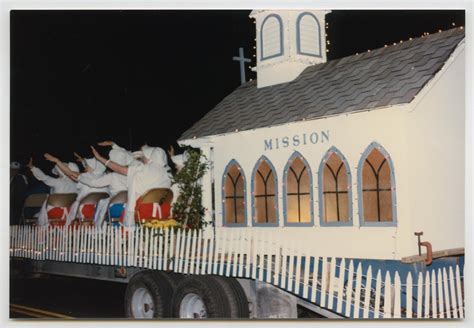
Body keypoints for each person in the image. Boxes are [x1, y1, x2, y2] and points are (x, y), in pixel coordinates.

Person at [91, 144, 172, 227]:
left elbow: (118, 169)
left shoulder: (142, 169)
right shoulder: (168, 174)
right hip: (163, 209)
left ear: (150, 158)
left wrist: (100, 158)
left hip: (143, 209)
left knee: (119, 208)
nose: (143, 160)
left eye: (144, 158)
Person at [44, 153, 108, 225]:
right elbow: (92, 168)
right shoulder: (105, 176)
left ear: (92, 167)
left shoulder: (85, 177)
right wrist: (83, 161)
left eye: (86, 165)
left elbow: (69, 173)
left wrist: (57, 161)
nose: (85, 167)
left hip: (86, 209)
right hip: (102, 210)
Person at [27, 157, 79, 226]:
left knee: (35, 213)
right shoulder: (77, 184)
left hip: (54, 212)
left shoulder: (58, 182)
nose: (57, 174)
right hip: (70, 213)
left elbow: (43, 177)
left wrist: (32, 167)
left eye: (58, 173)